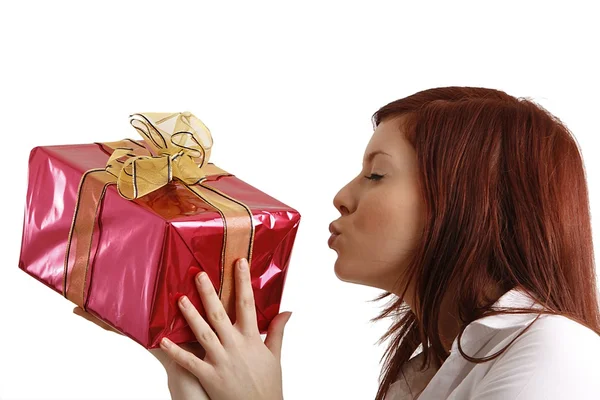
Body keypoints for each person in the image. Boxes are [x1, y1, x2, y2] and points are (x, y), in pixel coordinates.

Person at [75, 86, 600, 399]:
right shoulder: (422, 376)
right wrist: (193, 374)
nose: (341, 197)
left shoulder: (556, 352)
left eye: (376, 175)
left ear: (470, 199)